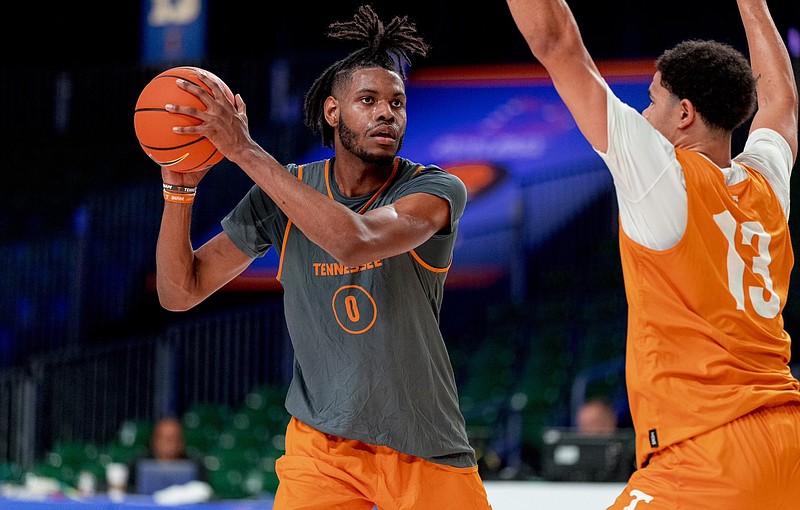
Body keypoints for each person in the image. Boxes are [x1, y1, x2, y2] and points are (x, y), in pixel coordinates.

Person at [154, 5, 492, 509]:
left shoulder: (435, 190)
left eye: (397, 103)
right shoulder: (285, 192)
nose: (386, 113)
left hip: (421, 442)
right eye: (369, 100)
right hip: (322, 449)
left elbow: (352, 240)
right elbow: (180, 293)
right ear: (333, 112)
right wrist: (177, 193)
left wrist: (245, 151)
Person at [505, 0, 799, 508]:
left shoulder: (665, 176)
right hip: (787, 444)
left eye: (652, 98)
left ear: (683, 113)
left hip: (706, 458)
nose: (643, 113)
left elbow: (556, 44)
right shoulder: (766, 185)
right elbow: (781, 100)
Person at [127, 417, 207, 495]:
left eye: (176, 438)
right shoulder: (137, 465)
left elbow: (205, 493)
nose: (172, 444)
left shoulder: (196, 465)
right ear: (154, 441)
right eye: (167, 439)